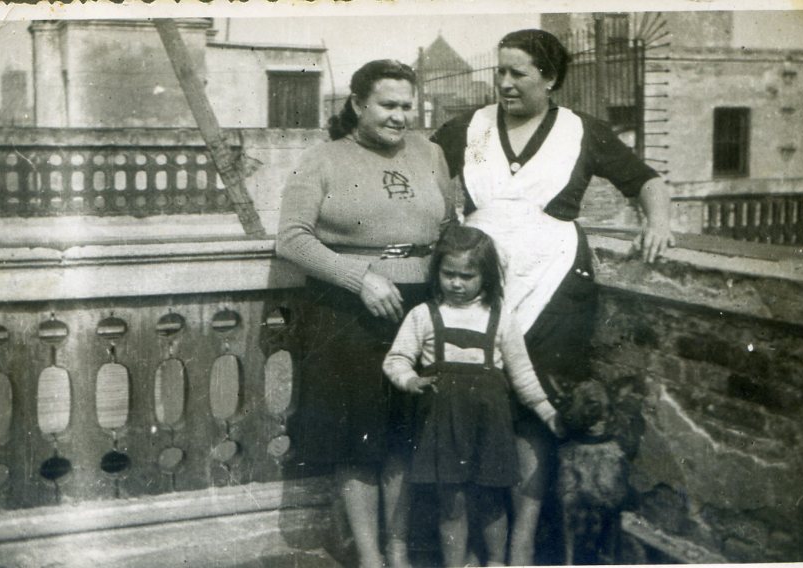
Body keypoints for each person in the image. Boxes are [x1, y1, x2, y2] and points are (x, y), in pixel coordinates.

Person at [430, 29, 674, 565]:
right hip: (479, 284)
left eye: (518, 73)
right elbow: (419, 168)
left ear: (551, 78)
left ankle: (521, 546)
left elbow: (645, 180)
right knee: (475, 408)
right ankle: (483, 548)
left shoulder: (582, 130)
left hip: (556, 286)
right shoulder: (468, 128)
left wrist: (657, 222)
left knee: (534, 412)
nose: (505, 83)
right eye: (500, 71)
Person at [277, 59, 456, 568]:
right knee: (359, 439)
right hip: (348, 313)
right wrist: (361, 279)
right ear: (357, 104)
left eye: (407, 106)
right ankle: (371, 556)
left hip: (418, 309)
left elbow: (448, 226)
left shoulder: (431, 153)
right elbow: (291, 238)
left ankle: (398, 550)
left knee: (405, 435)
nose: (400, 116)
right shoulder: (322, 159)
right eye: (388, 105)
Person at [383, 225, 563, 567]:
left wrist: (548, 412)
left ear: (486, 276)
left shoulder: (500, 319)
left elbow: (523, 375)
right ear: (437, 272)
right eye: (448, 274)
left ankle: (495, 561)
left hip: (489, 427)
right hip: (443, 428)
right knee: (451, 504)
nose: (456, 283)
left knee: (491, 502)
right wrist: (410, 380)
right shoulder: (423, 316)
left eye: (467, 276)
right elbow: (396, 359)